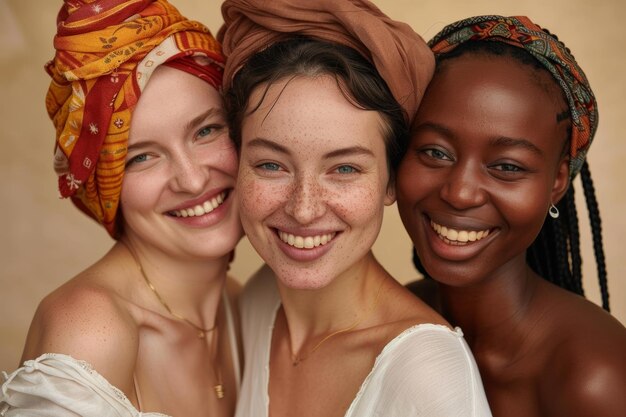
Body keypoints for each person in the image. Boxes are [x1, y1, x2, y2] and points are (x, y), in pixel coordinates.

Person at [218, 1, 492, 416]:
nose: (304, 210)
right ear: (237, 166)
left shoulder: (428, 375)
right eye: (271, 165)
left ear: (390, 180)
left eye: (344, 168)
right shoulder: (257, 301)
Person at [0, 1, 242, 416]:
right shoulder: (88, 329)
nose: (193, 180)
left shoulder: (241, 305)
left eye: (207, 130)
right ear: (106, 188)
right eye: (141, 157)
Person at [396, 15, 626, 417]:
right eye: (435, 152)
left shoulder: (595, 377)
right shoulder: (395, 323)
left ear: (557, 182)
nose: (460, 192)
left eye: (506, 166)